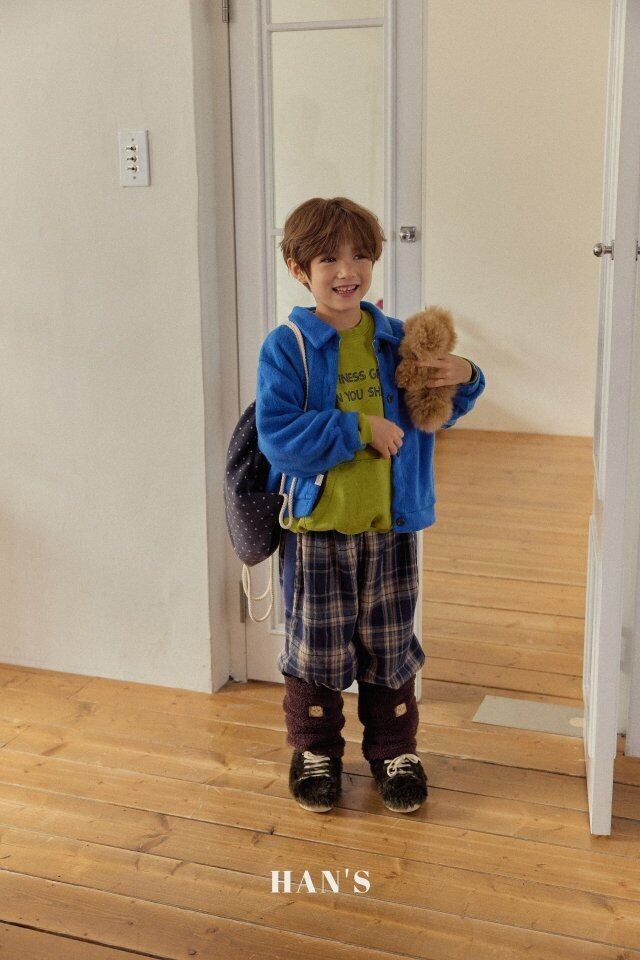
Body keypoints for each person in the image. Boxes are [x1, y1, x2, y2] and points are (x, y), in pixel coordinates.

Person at [255, 196, 485, 814]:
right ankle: (315, 752)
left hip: (392, 530)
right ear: (298, 269)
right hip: (319, 529)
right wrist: (359, 428)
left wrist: (465, 374)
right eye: (328, 259)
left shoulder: (394, 340)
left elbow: (439, 408)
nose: (346, 271)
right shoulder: (287, 347)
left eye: (359, 256)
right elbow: (278, 436)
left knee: (390, 645)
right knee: (317, 649)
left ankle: (394, 752)